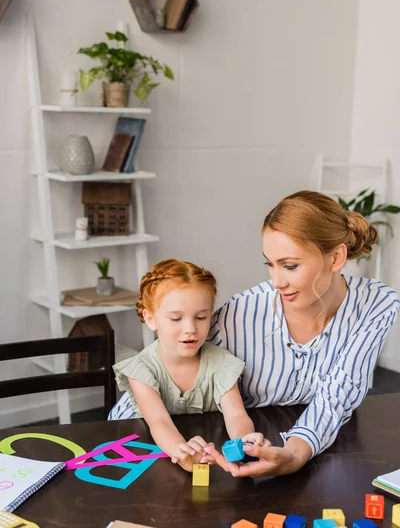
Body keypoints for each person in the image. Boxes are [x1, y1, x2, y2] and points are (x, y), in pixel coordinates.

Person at [204, 190, 400, 477]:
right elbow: (163, 372)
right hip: (217, 455)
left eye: (290, 266)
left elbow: (339, 394)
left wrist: (294, 454)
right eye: (269, 264)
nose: (276, 282)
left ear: (336, 258)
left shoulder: (376, 305)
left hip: (320, 458)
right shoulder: (240, 314)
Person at [108, 258, 263, 472]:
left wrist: (245, 442)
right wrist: (182, 454)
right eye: (175, 319)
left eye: (201, 317)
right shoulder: (141, 369)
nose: (190, 328)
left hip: (197, 436)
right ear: (151, 319)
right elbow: (159, 423)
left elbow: (236, 414)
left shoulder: (222, 363)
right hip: (139, 445)